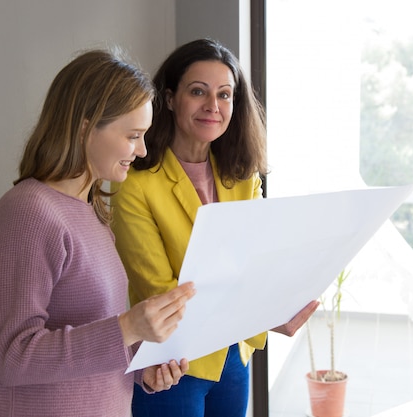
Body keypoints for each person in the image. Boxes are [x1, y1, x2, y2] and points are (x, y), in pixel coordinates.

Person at [0, 48, 196, 417]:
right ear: (86, 127)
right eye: (133, 135)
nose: (141, 150)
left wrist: (141, 364)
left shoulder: (91, 212)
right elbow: (14, 356)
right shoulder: (27, 214)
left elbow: (93, 335)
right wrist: (128, 327)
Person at [110, 38, 319, 417]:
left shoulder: (242, 176)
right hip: (173, 362)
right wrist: (263, 313)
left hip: (232, 357)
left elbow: (255, 264)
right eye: (198, 92)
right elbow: (161, 293)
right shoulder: (135, 183)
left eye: (225, 95)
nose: (213, 106)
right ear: (170, 99)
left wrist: (276, 307)